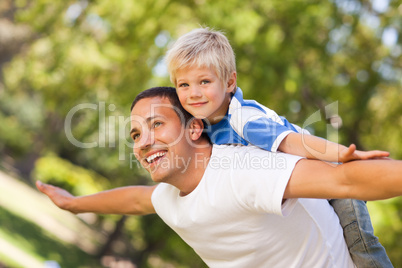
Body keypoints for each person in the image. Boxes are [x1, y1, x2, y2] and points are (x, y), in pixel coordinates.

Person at [37, 87, 402, 267]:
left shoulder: (241, 169)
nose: (144, 142)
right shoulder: (169, 196)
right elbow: (134, 199)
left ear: (195, 129)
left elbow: (345, 182)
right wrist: (73, 204)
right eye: (135, 135)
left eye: (156, 125)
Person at [164, 28, 393, 267]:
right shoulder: (200, 125)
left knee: (362, 248)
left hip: (331, 173)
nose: (194, 93)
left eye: (204, 81)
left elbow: (293, 141)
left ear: (230, 82)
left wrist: (342, 154)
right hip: (304, 191)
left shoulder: (243, 119)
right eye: (184, 85)